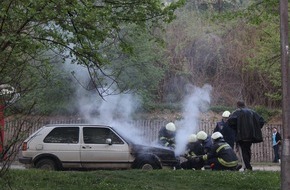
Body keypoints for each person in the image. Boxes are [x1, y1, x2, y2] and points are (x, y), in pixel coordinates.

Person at [228, 100, 265, 171]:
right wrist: (255, 128)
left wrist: (236, 128)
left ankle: (248, 167)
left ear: (238, 105)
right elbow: (261, 121)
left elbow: (230, 121)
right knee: (248, 150)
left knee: (243, 151)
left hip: (241, 136)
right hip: (251, 136)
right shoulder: (252, 112)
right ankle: (247, 166)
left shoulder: (237, 112)